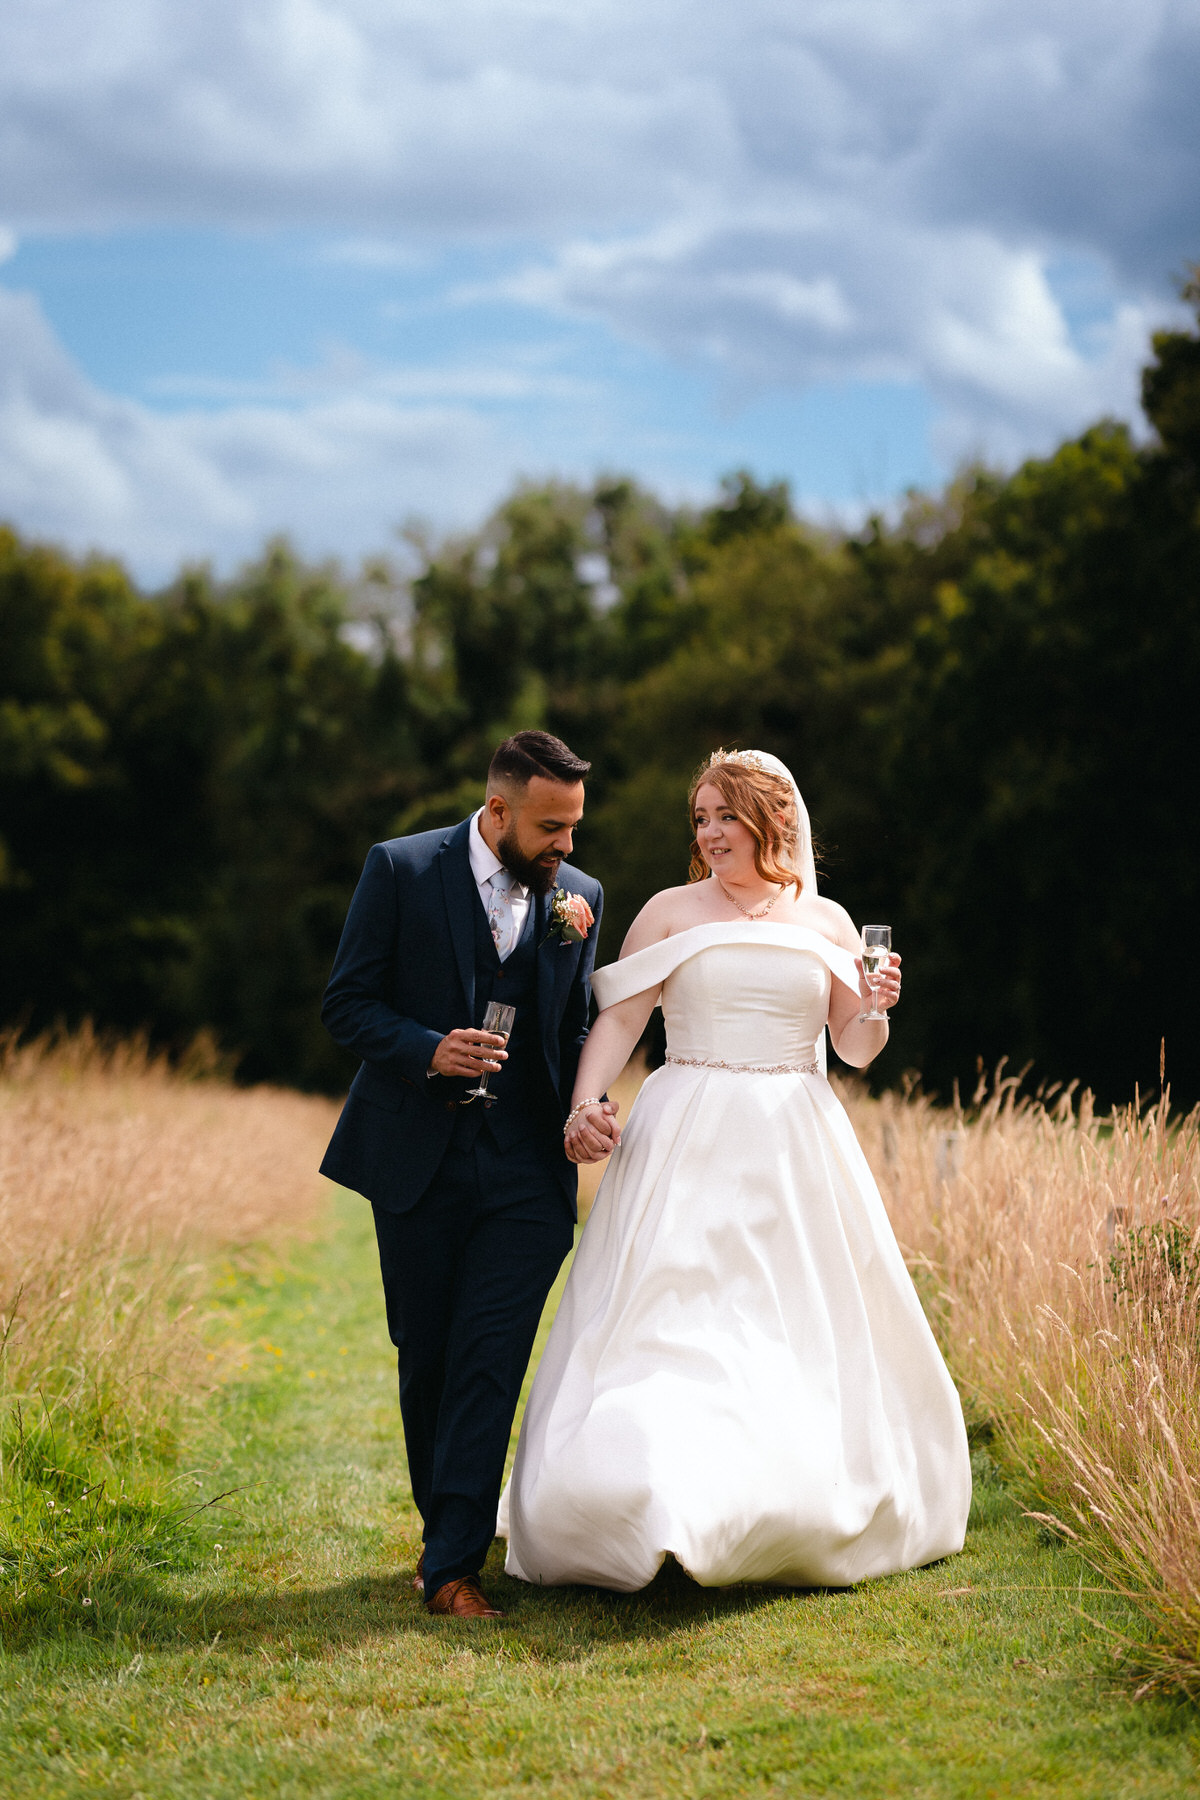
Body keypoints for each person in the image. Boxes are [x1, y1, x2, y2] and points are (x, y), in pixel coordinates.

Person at [500, 748, 971, 1592]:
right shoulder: (671, 912)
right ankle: (653, 1499)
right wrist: (585, 1102)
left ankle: (768, 1504)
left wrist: (876, 1005)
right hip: (686, 1132)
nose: (711, 834)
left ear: (771, 821)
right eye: (702, 818)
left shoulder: (826, 922)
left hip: (795, 1141)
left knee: (784, 1324)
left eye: (726, 816)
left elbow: (855, 1051)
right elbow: (620, 1022)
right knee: (672, 1323)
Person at [320, 730, 610, 1618]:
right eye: (551, 828)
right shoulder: (401, 870)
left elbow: (571, 1034)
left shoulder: (582, 899)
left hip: (526, 1170)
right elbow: (347, 1004)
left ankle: (453, 1568)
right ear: (498, 811)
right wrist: (427, 1049)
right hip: (419, 1162)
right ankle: (443, 1530)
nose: (566, 847)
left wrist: (588, 1107)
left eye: (574, 828)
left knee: (490, 1359)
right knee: (431, 1357)